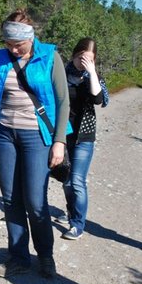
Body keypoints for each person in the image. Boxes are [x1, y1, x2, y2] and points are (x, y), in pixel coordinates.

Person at [0, 9, 70, 279]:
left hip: (36, 136)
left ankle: (45, 256)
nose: (13, 49)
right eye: (8, 44)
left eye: (18, 44)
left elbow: (63, 101)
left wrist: (59, 142)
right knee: (10, 199)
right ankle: (18, 256)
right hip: (4, 135)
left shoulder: (50, 57)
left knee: (34, 199)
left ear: (30, 38)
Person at [55, 37, 109, 240]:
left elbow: (97, 98)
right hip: (62, 135)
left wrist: (92, 72)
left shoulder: (94, 78)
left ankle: (77, 224)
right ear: (73, 55)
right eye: (80, 57)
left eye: (89, 59)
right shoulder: (61, 74)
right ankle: (71, 212)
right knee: (66, 181)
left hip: (84, 136)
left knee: (76, 181)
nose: (83, 62)